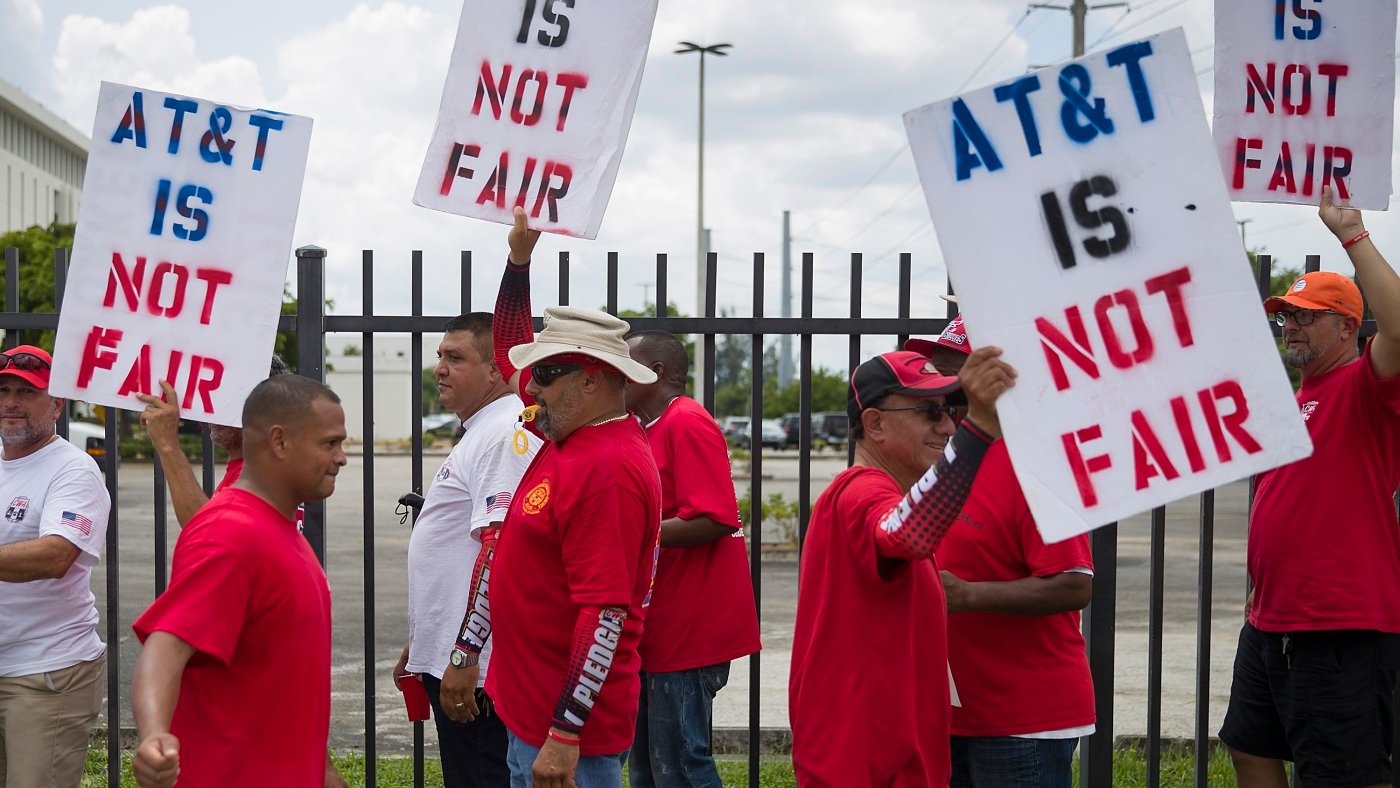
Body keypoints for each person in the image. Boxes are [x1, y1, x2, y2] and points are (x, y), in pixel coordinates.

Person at [450, 207, 662, 788]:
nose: (528, 386)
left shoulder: (608, 469)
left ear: (592, 380)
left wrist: (566, 735)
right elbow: (508, 351)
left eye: (546, 375)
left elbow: (605, 616)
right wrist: (519, 261)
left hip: (566, 738)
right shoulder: (567, 431)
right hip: (530, 714)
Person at [1221, 186, 1400, 788]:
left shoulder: (1365, 386)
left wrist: (1352, 234)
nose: (1288, 325)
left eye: (1304, 315)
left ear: (1348, 327)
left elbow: (1398, 332)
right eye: (1284, 315)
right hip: (1272, 617)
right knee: (1249, 749)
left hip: (1339, 624)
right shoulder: (1294, 400)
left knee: (1345, 773)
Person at [789, 346, 1016, 786]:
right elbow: (908, 534)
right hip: (861, 764)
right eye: (930, 411)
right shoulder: (859, 492)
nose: (948, 425)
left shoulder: (881, 492)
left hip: (887, 758)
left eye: (953, 410)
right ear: (874, 423)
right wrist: (980, 427)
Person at [130, 375, 348, 787]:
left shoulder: (278, 528)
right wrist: (155, 733)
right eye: (329, 443)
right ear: (279, 442)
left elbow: (285, 683)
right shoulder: (230, 533)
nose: (341, 458)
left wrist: (324, 773)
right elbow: (165, 648)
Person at [910, 318, 1096, 787]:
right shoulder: (942, 461)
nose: (940, 398)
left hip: (1022, 722)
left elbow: (1074, 585)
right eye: (937, 381)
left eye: (956, 384)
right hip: (950, 714)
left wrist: (968, 596)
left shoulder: (1035, 467)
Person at [392, 313, 538, 787]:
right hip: (455, 650)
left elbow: (501, 551)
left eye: (456, 358)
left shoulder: (503, 435)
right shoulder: (483, 429)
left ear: (497, 369)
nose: (439, 368)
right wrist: (425, 640)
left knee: (482, 774)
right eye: (439, 356)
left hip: (477, 664)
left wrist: (463, 655)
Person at [623, 329, 761, 788]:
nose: (615, 374)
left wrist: (631, 536)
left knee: (680, 766)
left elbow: (715, 518)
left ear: (656, 372)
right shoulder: (650, 426)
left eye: (627, 363)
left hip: (689, 631)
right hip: (662, 627)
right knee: (646, 768)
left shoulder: (686, 421)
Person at [0, 344, 111, 787]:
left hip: (45, 672)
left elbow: (56, 555)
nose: (11, 402)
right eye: (4, 390)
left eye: (27, 392)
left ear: (57, 402)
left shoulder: (73, 470)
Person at [136, 355, 291, 526]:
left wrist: (168, 444)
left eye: (229, 398)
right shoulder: (253, 468)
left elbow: (208, 533)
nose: (214, 408)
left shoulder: (261, 475)